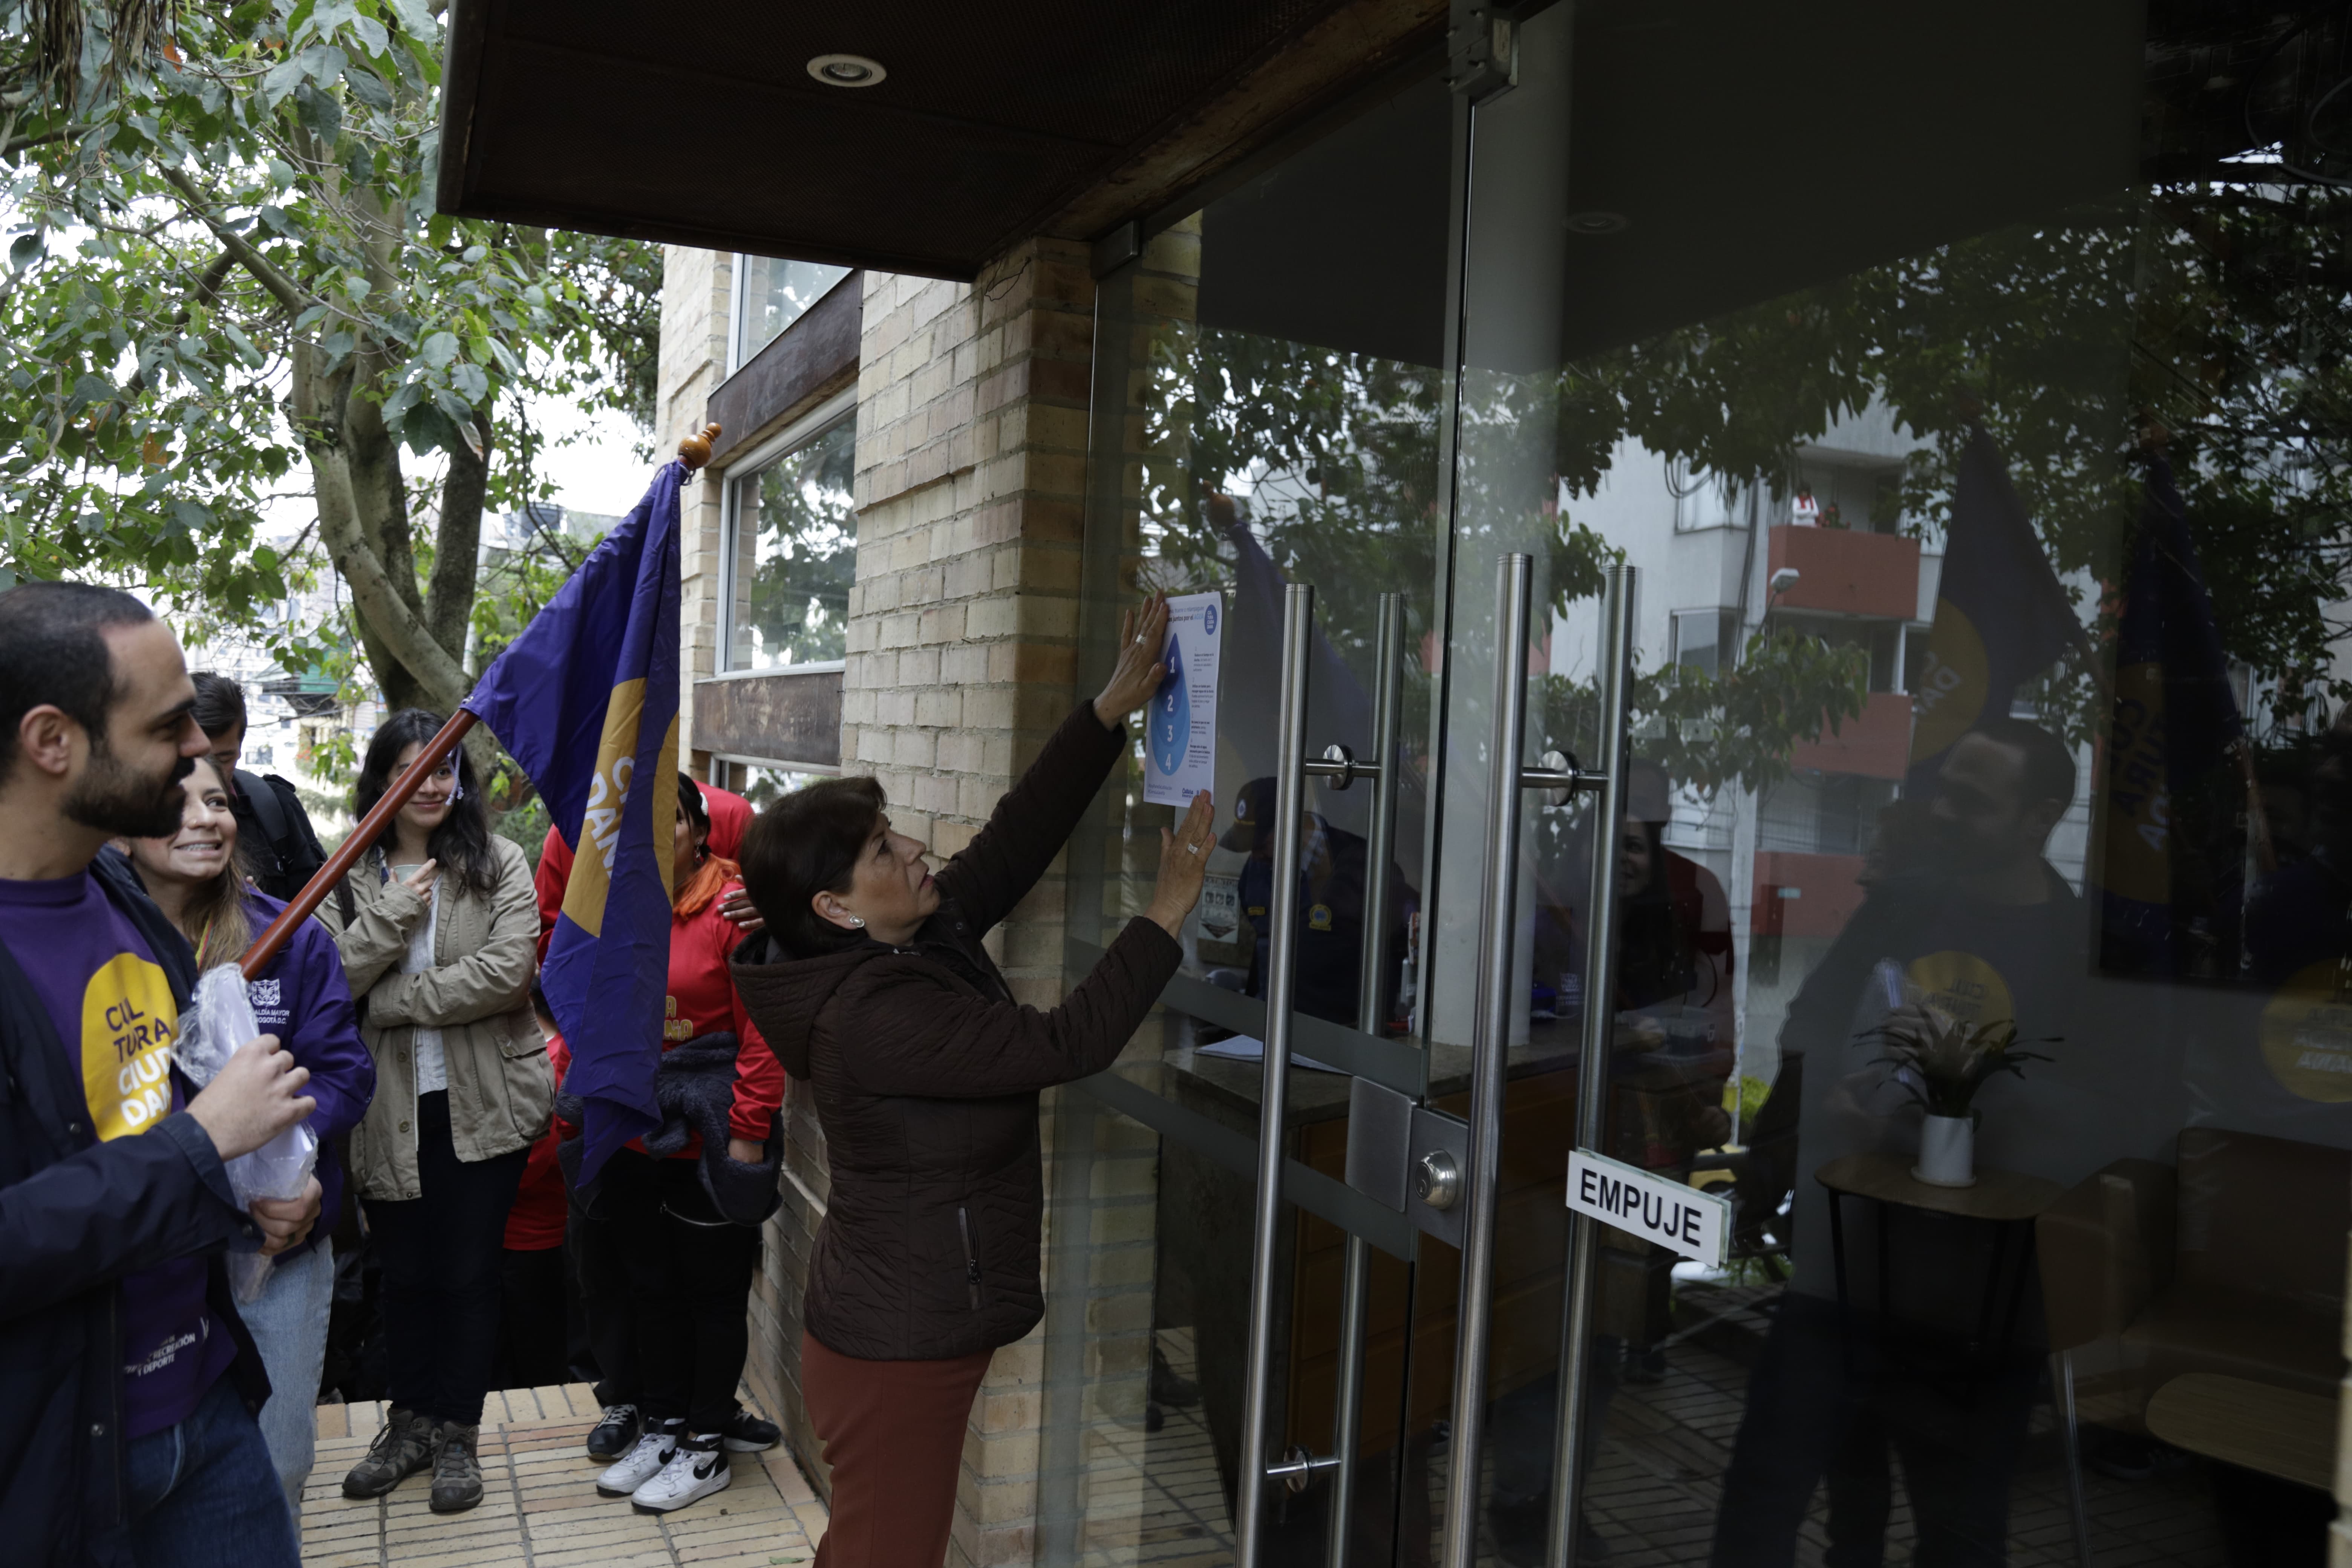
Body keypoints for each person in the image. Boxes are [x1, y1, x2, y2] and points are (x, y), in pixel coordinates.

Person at [730, 593, 1214, 1568]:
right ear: (835, 907)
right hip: (895, 1347)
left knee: (872, 1548)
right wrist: (1165, 910)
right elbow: (1063, 1042)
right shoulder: (872, 1016)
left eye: (894, 833)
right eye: (881, 850)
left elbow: (1007, 848)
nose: (912, 849)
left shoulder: (903, 939)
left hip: (899, 1325)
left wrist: (1106, 712)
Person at [0, 580, 322, 1568]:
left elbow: (140, 1109)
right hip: (55, 1464)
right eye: (169, 723)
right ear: (54, 741)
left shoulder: (122, 902)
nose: (200, 748)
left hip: (208, 1411)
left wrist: (251, 1188)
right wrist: (202, 1146)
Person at [1712, 717, 2082, 1568]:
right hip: (1844, 1265)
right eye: (1942, 790)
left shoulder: (2080, 946)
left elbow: (2103, 1105)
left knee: (1958, 1531)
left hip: (1983, 1298)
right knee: (1761, 1495)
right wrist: (1813, 1114)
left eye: (1970, 799)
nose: (1942, 812)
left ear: (2040, 817)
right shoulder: (1903, 902)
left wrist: (1955, 1102)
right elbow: (1809, 1020)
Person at [118, 754, 377, 1521]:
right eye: (178, 801)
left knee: (277, 1463)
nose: (207, 817)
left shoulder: (289, 935)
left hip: (275, 1249)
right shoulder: (98, 947)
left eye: (219, 801)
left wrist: (290, 1168)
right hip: (151, 1265)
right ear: (120, 826)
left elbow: (343, 1074)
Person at [322, 709, 551, 1514]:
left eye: (446, 771)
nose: (433, 787)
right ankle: (409, 1425)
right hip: (386, 1110)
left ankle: (459, 1431)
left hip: (485, 1103)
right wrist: (389, 918)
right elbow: (329, 979)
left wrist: (394, 1001)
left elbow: (508, 973)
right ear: (384, 779)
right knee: (407, 1276)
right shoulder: (346, 872)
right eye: (414, 773)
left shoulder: (500, 862)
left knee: (467, 1273)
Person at [574, 774, 787, 1514]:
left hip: (714, 1128)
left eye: (668, 820)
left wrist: (751, 1132)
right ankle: (664, 1424)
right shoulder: (614, 909)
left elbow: (762, 1037)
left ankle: (706, 1445)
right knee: (651, 1286)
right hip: (638, 1126)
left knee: (713, 1293)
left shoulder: (736, 907)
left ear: (699, 831)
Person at [492, 987, 582, 1395]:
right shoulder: (538, 1053)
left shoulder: (553, 1059)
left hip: (535, 1240)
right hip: (510, 1235)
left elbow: (535, 1156)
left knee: (536, 1366)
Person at [187, 672, 338, 907]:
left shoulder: (273, 807)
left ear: (240, 749)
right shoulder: (139, 820)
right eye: (194, 759)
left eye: (222, 760)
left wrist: (267, 915)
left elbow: (321, 920)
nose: (208, 774)